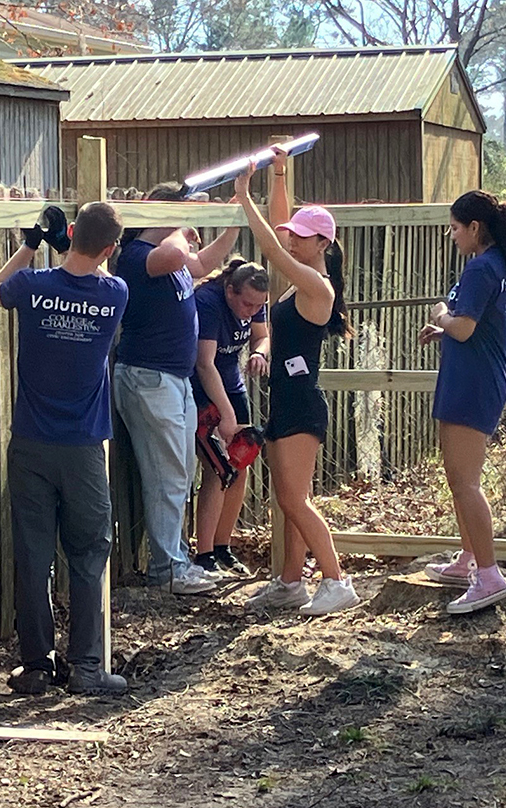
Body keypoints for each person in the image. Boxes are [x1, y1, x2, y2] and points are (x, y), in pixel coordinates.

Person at [0, 201, 129, 695]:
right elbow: (93, 265)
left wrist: (31, 243)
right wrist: (72, 244)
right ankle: (88, 667)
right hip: (84, 447)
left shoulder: (33, 286)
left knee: (32, 552)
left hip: (30, 441)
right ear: (110, 248)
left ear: (70, 231)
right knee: (89, 554)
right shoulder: (115, 293)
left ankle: (36, 668)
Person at [234, 153, 361, 615]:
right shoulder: (301, 276)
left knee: (294, 499)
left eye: (302, 237)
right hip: (285, 401)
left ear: (322, 244)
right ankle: (290, 583)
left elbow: (270, 246)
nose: (291, 239)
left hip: (303, 406)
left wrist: (244, 196)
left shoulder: (317, 288)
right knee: (286, 500)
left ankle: (336, 580)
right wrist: (279, 171)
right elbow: (281, 225)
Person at [113, 182, 240, 595]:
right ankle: (168, 567)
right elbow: (174, 254)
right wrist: (180, 218)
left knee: (179, 473)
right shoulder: (136, 256)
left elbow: (201, 263)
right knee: (169, 475)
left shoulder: (175, 255)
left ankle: (174, 559)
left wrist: (231, 224)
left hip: (173, 378)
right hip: (149, 377)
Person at [418, 189, 506, 614]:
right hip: (476, 378)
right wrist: (446, 329)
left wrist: (440, 317)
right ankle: (469, 558)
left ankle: (488, 575)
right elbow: (473, 325)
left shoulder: (482, 268)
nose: (451, 235)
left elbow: (464, 327)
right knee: (459, 478)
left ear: (474, 228)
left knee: (465, 481)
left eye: (454, 228)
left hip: (472, 384)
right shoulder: (495, 266)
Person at [191, 258, 270, 578]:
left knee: (240, 464)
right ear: (229, 290)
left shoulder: (255, 301)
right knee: (218, 469)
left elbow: (262, 335)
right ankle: (205, 553)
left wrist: (259, 352)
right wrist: (225, 414)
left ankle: (224, 547)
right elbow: (204, 364)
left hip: (233, 387)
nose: (251, 311)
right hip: (203, 392)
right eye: (246, 304)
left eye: (258, 306)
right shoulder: (207, 303)